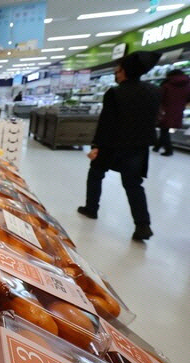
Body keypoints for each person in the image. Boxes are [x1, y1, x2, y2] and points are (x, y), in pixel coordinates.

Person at [77, 51, 161, 241]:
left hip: (112, 143)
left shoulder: (115, 92)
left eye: (119, 69)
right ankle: (142, 225)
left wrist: (96, 145)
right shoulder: (154, 91)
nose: (116, 72)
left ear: (125, 71)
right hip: (138, 145)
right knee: (133, 184)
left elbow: (107, 122)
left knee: (96, 174)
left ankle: (91, 208)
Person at [153, 69, 190, 156]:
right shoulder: (187, 85)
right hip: (179, 109)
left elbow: (160, 97)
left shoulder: (167, 84)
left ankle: (169, 150)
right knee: (165, 129)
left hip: (165, 109)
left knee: (164, 129)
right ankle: (157, 147)